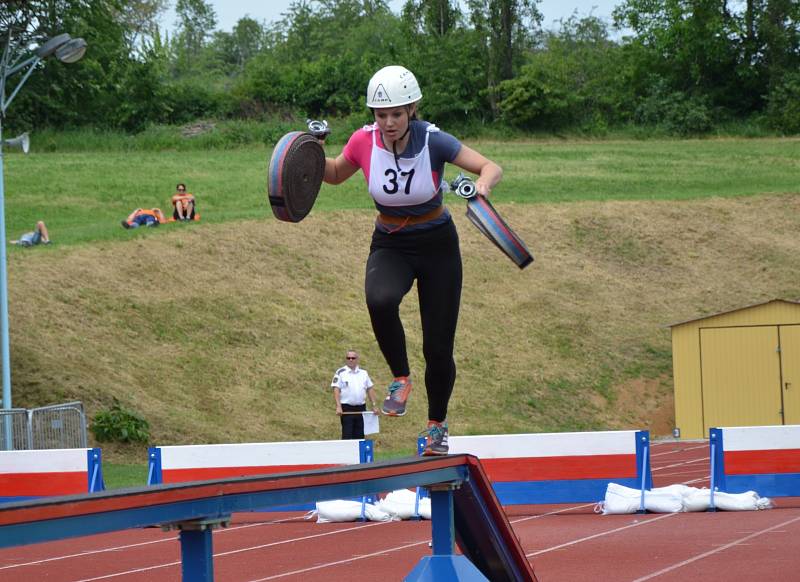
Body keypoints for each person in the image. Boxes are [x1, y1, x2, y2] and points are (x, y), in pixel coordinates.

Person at [320, 65, 503, 456]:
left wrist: (483, 186)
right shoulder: (362, 141)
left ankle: (437, 425)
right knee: (379, 299)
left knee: (438, 349)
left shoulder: (434, 141)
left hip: (438, 245)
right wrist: (309, 152)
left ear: (412, 109)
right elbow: (334, 173)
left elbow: (490, 166)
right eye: (380, 114)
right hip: (391, 242)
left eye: (396, 114)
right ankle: (400, 379)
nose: (387, 122)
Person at [330, 350, 379, 440]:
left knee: (360, 436)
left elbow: (370, 389)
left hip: (361, 409)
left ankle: (358, 454)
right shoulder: (341, 372)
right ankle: (347, 454)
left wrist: (374, 405)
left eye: (353, 358)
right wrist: (338, 406)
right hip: (347, 408)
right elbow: (336, 389)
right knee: (347, 435)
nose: (351, 360)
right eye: (348, 358)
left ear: (357, 359)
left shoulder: (364, 373)